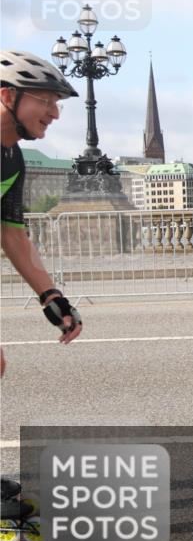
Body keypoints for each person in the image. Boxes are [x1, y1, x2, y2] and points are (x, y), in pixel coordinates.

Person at [1, 50, 84, 377]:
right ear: (7, 95)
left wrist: (52, 296)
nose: (55, 114)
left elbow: (11, 232)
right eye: (45, 101)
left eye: (56, 103)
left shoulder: (12, 158)